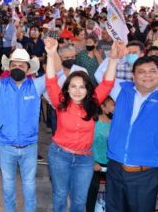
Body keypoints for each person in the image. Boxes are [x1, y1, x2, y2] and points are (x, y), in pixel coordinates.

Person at [0, 46, 59, 212]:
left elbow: (53, 75)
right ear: (9, 67)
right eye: (15, 64)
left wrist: (52, 54)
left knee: (29, 185)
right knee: (8, 185)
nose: (18, 68)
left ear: (28, 69)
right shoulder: (0, 85)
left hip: (29, 146)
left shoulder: (35, 85)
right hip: (5, 146)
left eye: (22, 65)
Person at [45, 38, 119, 212]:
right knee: (60, 196)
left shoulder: (93, 102)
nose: (77, 90)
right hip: (59, 156)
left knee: (79, 200)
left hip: (85, 159)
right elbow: (50, 80)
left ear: (88, 90)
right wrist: (51, 54)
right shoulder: (60, 102)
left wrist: (113, 59)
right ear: (67, 89)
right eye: (73, 86)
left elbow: (107, 83)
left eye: (82, 87)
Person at [105, 56, 158, 212]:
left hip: (144, 174)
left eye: (152, 71)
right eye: (141, 71)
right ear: (133, 76)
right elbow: (102, 74)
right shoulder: (123, 89)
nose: (147, 75)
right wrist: (115, 58)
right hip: (115, 168)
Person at [85, 97, 115, 212]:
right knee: (93, 187)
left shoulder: (116, 123)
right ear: (103, 107)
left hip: (111, 162)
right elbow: (86, 144)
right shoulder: (94, 123)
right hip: (95, 162)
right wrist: (92, 161)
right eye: (113, 105)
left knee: (114, 190)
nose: (115, 108)